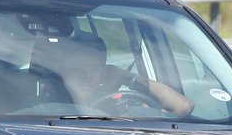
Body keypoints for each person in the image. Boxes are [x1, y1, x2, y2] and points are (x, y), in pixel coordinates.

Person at [29, 32, 194, 116]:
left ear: (104, 72)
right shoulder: (39, 110)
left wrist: (128, 77)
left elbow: (183, 107)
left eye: (94, 68)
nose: (87, 75)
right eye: (79, 66)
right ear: (63, 70)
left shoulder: (120, 108)